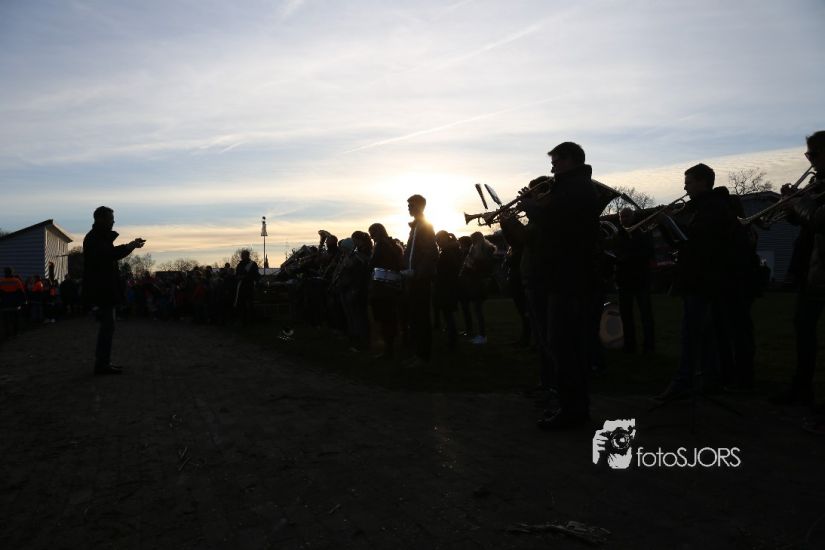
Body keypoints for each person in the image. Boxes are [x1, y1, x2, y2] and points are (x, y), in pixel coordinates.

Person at [504, 142, 601, 430]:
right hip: (561, 277)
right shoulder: (569, 187)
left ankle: (572, 410)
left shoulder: (577, 188)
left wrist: (529, 205)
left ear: (569, 160)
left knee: (565, 347)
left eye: (556, 161)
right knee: (562, 346)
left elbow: (553, 221)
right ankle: (571, 406)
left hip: (569, 279)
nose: (552, 167)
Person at [656, 163, 738, 401]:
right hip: (700, 276)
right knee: (704, 332)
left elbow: (695, 241)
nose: (685, 188)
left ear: (703, 182)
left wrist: (669, 222)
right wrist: (666, 225)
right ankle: (709, 379)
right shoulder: (702, 207)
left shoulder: (712, 207)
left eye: (689, 183)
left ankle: (684, 381)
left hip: (702, 278)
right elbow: (681, 243)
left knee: (691, 332)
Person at [773, 131, 825, 434]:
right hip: (811, 269)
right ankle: (801, 388)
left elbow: (820, 219)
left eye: (814, 154)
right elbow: (807, 221)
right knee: (803, 329)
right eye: (808, 155)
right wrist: (790, 206)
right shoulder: (818, 184)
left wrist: (799, 202)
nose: (810, 161)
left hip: (822, 269)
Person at [82, 206, 146, 375]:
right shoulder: (95, 238)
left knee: (108, 327)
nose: (113, 221)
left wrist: (130, 246)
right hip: (103, 290)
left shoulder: (97, 237)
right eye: (110, 218)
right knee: (107, 327)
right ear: (101, 219)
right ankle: (102, 364)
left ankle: (103, 362)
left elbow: (110, 254)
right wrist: (130, 246)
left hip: (104, 289)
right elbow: (110, 254)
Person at [613, 208, 656, 353]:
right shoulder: (618, 234)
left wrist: (628, 255)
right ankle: (629, 345)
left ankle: (649, 347)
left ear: (633, 217)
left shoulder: (643, 231)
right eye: (622, 217)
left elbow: (649, 252)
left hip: (640, 279)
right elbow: (616, 252)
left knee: (646, 315)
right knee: (626, 316)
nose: (624, 219)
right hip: (624, 280)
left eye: (627, 216)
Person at [403, 194, 438, 365]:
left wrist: (417, 272)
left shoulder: (424, 226)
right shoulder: (417, 226)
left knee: (421, 317)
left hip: (420, 280)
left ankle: (423, 355)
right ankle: (417, 352)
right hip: (414, 278)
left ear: (419, 206)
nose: (408, 207)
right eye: (408, 205)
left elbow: (431, 252)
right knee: (415, 317)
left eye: (411, 205)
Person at [368, 223, 404, 359]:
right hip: (391, 286)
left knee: (384, 319)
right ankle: (393, 346)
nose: (371, 236)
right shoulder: (392, 244)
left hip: (382, 287)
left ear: (378, 232)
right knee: (390, 318)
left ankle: (388, 350)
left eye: (372, 233)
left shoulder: (381, 245)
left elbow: (373, 264)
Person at [458, 231, 496, 344]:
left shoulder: (482, 252)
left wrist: (470, 267)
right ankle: (481, 334)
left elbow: (480, 268)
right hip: (477, 283)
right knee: (477, 310)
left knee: (478, 310)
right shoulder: (483, 250)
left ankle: (482, 335)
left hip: (478, 283)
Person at [434, 231, 462, 349]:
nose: (438, 243)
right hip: (450, 285)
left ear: (445, 238)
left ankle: (452, 340)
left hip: (447, 286)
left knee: (448, 313)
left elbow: (449, 269)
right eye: (437, 241)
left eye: (439, 240)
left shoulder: (447, 252)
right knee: (448, 313)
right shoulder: (452, 249)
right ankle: (452, 338)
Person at [234, 249, 260, 325]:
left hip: (249, 286)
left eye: (243, 255)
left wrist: (246, 277)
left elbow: (255, 275)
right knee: (241, 304)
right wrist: (239, 277)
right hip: (241, 287)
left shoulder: (253, 264)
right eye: (241, 255)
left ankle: (251, 320)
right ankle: (243, 320)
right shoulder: (240, 264)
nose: (241, 256)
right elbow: (237, 274)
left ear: (247, 256)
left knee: (249, 304)